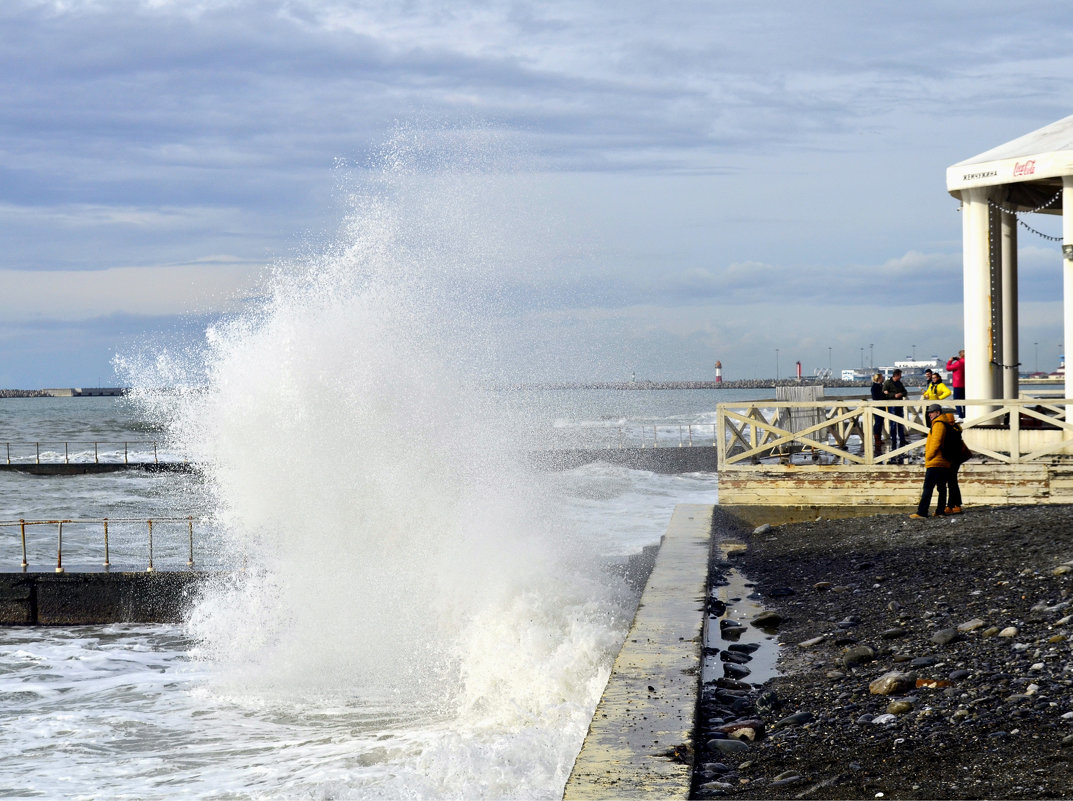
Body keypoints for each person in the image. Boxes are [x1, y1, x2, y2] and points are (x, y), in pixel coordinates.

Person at [910, 404, 954, 518]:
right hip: (943, 461)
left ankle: (922, 512)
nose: (929, 414)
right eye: (929, 412)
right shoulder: (943, 423)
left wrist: (928, 456)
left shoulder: (938, 424)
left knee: (928, 488)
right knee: (942, 488)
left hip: (936, 461)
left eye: (931, 412)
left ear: (938, 413)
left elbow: (936, 442)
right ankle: (940, 511)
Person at [882, 369, 908, 462]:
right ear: (896, 375)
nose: (901, 377)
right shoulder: (888, 383)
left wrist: (901, 394)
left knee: (901, 422)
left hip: (899, 406)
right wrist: (894, 395)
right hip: (892, 405)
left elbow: (905, 392)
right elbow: (884, 393)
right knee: (893, 423)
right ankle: (893, 440)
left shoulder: (900, 383)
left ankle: (902, 439)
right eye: (900, 375)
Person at [870, 372, 886, 454]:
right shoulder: (875, 387)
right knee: (877, 423)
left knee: (880, 422)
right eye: (882, 377)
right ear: (878, 378)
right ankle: (877, 439)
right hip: (877, 406)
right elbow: (875, 397)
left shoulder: (881, 386)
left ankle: (879, 438)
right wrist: (883, 394)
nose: (883, 378)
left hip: (881, 406)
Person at [947, 349, 966, 418]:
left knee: (956, 401)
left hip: (958, 384)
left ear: (961, 355)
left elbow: (948, 368)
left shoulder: (959, 363)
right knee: (965, 401)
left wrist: (950, 360)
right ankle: (965, 415)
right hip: (966, 384)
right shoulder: (967, 362)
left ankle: (960, 416)